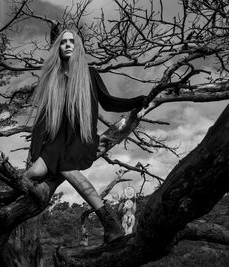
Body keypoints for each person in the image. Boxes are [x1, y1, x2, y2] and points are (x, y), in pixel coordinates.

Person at [24, 29, 146, 243]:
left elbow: (108, 102)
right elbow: (42, 119)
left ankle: (110, 223)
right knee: (30, 174)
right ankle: (14, 205)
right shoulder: (54, 79)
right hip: (58, 141)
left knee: (67, 168)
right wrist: (35, 152)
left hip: (81, 137)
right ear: (58, 49)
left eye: (72, 41)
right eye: (63, 42)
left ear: (78, 46)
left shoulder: (89, 73)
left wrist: (138, 100)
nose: (68, 45)